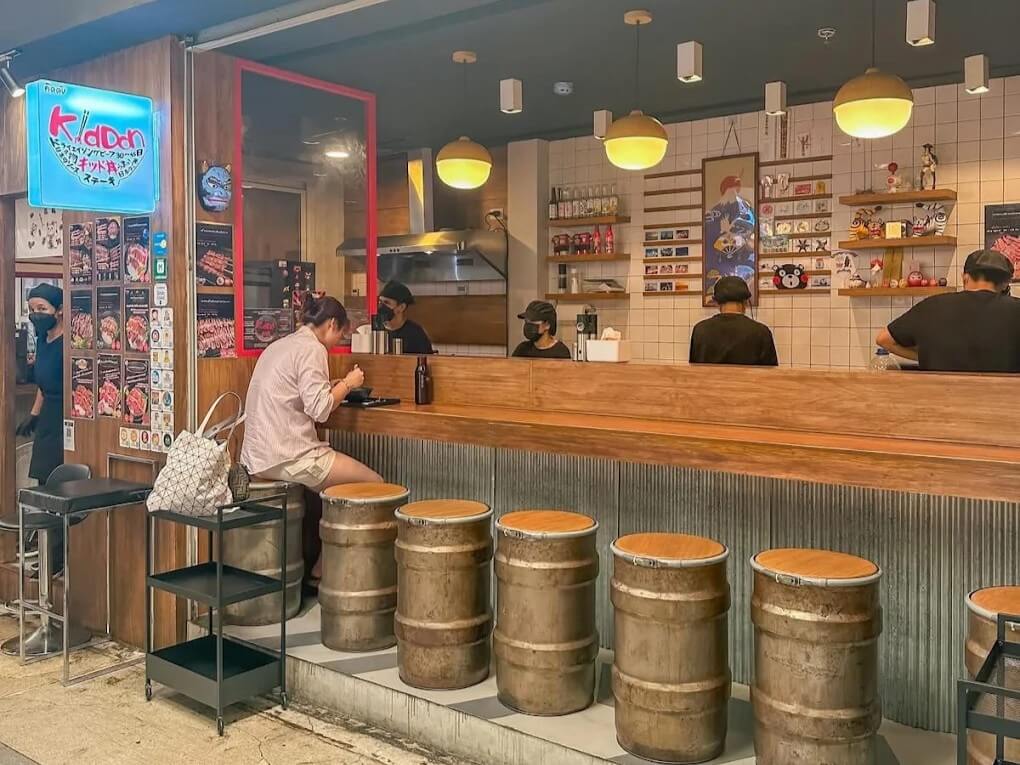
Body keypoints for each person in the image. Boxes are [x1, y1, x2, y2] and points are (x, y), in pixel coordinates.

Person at [241, 295, 382, 582]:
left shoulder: (280, 345)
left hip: (257, 457)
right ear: (331, 324)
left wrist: (330, 386)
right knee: (375, 484)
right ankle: (327, 569)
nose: (338, 342)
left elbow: (298, 392)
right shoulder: (312, 349)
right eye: (340, 335)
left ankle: (318, 567)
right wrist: (348, 383)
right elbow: (320, 410)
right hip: (288, 455)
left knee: (326, 495)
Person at [876, 249, 1020, 372]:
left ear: (965, 278)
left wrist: (927, 356)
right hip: (1004, 395)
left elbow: (883, 339)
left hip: (941, 394)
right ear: (1004, 284)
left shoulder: (932, 306)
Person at [17, 284, 65, 482]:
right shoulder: (42, 340)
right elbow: (43, 386)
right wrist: (34, 415)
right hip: (46, 418)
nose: (36, 314)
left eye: (42, 309)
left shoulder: (70, 343)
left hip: (64, 417)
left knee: (60, 479)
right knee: (43, 479)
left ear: (59, 310)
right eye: (32, 309)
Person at [690, 276, 779, 366]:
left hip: (709, 376)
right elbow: (771, 371)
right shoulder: (762, 332)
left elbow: (693, 368)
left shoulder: (700, 330)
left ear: (717, 303)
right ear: (745, 302)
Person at [378, 280, 433, 354]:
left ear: (401, 307)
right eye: (380, 302)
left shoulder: (416, 333)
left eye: (386, 302)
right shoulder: (376, 331)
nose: (381, 306)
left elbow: (427, 359)